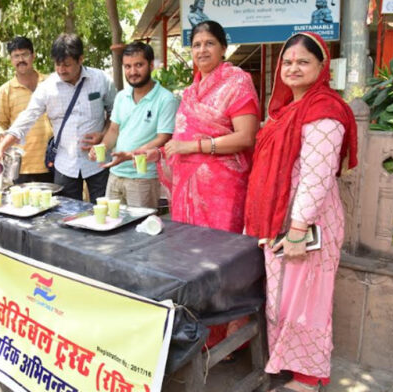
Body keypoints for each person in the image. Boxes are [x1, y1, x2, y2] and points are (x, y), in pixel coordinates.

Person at [244, 32, 357, 392]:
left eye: (303, 61)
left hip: (307, 223)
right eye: (288, 61)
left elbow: (316, 175)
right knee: (282, 297)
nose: (293, 68)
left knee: (307, 298)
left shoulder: (324, 111)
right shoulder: (285, 111)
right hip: (280, 219)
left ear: (322, 67)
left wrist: (296, 230)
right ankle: (287, 362)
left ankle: (309, 376)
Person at [143, 20, 259, 350]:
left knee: (219, 263)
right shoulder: (191, 92)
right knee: (190, 262)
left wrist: (193, 147)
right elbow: (179, 141)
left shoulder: (238, 82)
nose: (202, 50)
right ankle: (196, 334)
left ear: (223, 48)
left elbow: (245, 137)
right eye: (196, 45)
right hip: (187, 193)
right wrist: (162, 155)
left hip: (224, 191)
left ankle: (228, 339)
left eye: (209, 43)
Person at [0, 33, 116, 202]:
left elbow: (116, 114)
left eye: (67, 65)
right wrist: (0, 148)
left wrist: (104, 135)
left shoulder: (101, 80)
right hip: (65, 166)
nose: (61, 70)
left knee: (104, 213)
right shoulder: (47, 88)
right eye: (57, 65)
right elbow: (26, 120)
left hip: (99, 164)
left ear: (80, 59)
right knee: (67, 217)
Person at [87, 41, 177, 208]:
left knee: (140, 229)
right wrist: (102, 146)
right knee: (112, 225)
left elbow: (163, 138)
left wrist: (129, 155)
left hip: (143, 176)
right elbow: (114, 129)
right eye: (127, 67)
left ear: (151, 65)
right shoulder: (122, 96)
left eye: (138, 65)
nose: (132, 72)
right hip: (115, 174)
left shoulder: (166, 99)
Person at [0, 36, 54, 184]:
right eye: (16, 56)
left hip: (53, 161)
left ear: (33, 56)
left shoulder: (50, 83)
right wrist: (3, 139)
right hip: (21, 166)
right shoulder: (5, 90)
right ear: (11, 60)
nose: (21, 59)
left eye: (25, 54)